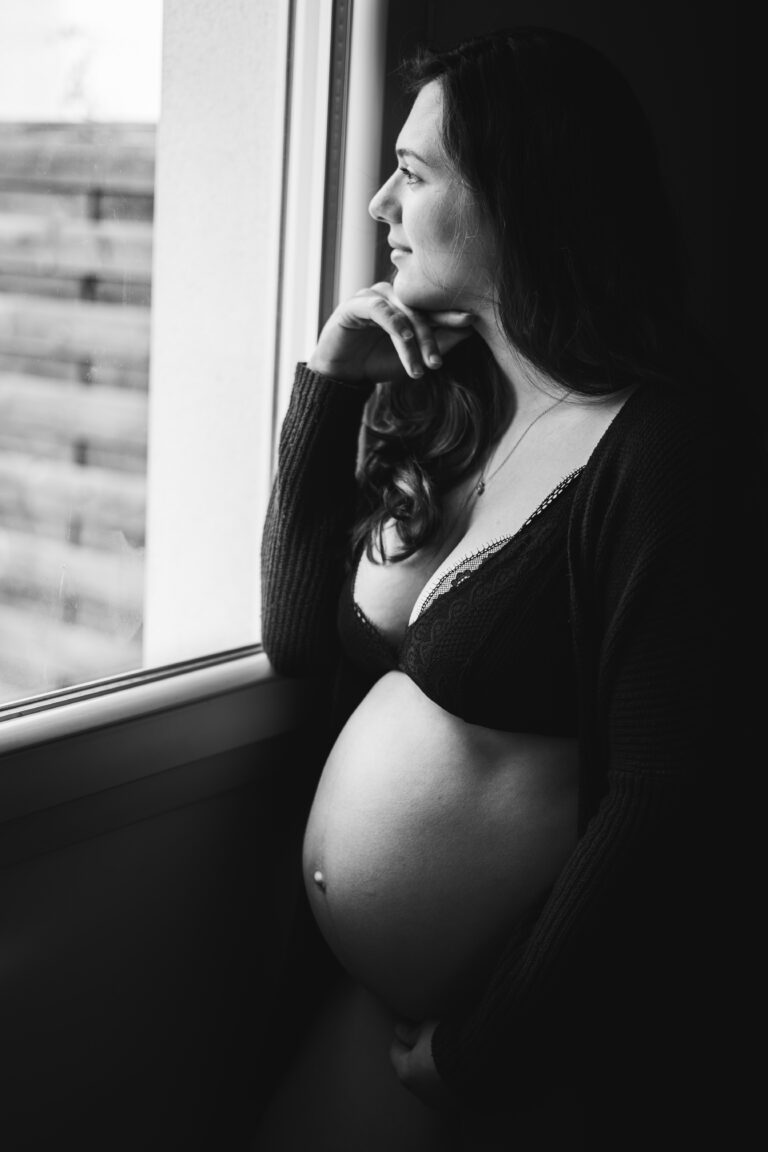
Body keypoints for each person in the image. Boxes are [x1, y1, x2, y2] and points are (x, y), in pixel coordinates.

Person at [258, 25, 761, 1152]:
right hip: (368, 1010)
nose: (382, 204)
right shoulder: (453, 403)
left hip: (518, 1048)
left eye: (416, 173)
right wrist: (326, 389)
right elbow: (299, 645)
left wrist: (490, 1049)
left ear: (518, 198)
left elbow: (663, 802)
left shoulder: (664, 447)